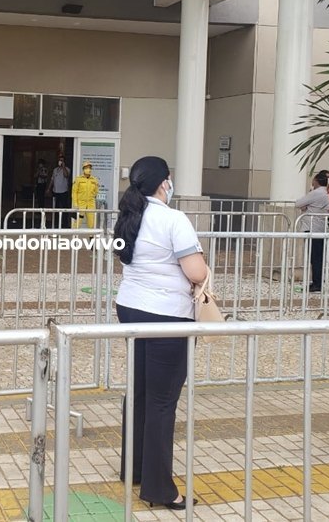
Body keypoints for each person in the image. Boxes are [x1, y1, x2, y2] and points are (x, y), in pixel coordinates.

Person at [113, 156, 208, 510]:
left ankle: (134, 468)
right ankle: (159, 489)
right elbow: (196, 272)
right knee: (162, 401)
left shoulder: (128, 216)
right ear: (163, 182)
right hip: (167, 314)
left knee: (139, 391)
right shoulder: (173, 219)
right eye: (169, 179)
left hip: (130, 308)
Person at [295, 172, 329, 293]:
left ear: (317, 180)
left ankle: (317, 283)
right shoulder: (325, 193)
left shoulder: (316, 193)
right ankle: (317, 281)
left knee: (315, 257)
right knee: (318, 256)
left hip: (312, 227)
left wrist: (306, 205)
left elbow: (298, 203)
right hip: (320, 227)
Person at [71, 160, 100, 228]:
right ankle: (74, 234)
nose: (88, 169)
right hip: (81, 203)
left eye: (89, 168)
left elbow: (96, 191)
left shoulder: (94, 180)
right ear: (83, 169)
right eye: (86, 168)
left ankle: (91, 235)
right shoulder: (78, 179)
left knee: (91, 222)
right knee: (78, 222)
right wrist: (75, 203)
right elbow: (74, 192)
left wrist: (92, 198)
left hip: (90, 204)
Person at [46, 156, 71, 228]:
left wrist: (63, 167)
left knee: (64, 207)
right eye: (60, 160)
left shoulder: (67, 169)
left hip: (63, 191)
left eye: (62, 160)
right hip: (55, 191)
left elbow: (66, 175)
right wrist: (49, 188)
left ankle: (65, 223)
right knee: (56, 207)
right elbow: (52, 179)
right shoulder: (55, 170)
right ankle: (56, 223)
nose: (60, 162)